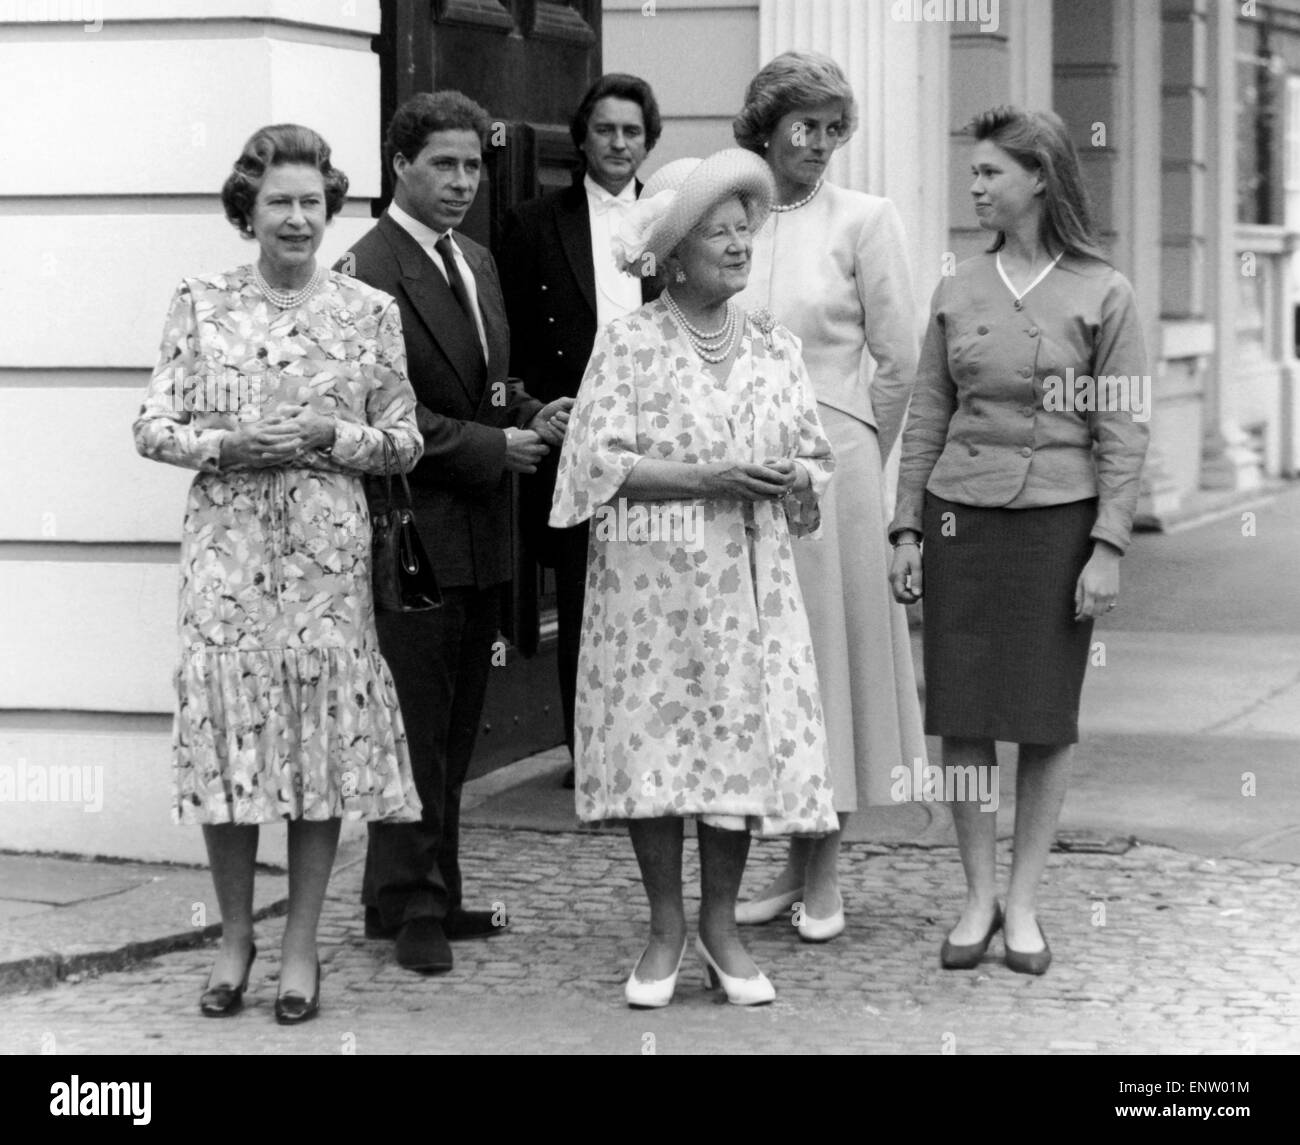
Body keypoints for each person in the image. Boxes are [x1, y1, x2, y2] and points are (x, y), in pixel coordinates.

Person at [134, 124, 424, 1025]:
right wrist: (226, 444)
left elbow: (406, 439)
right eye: (279, 203)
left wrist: (333, 437)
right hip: (228, 562)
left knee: (317, 755)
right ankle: (233, 938)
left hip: (325, 569)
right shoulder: (200, 301)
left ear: (330, 207)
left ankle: (299, 947)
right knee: (231, 747)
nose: (297, 219)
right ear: (247, 210)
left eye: (311, 202)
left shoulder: (368, 311)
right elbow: (151, 423)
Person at [550, 149, 838, 1008]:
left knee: (732, 745)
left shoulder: (774, 346)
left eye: (744, 229)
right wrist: (709, 479)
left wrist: (792, 478)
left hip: (746, 584)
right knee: (653, 749)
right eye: (719, 232)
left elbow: (816, 458)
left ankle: (721, 926)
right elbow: (595, 461)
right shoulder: (629, 342)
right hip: (649, 584)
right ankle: (664, 926)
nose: (740, 244)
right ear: (674, 256)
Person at [888, 106, 1150, 974]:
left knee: (1042, 716)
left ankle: (1027, 901)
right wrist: (905, 528)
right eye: (972, 173)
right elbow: (929, 409)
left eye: (990, 172)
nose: (975, 185)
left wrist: (1108, 542)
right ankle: (976, 896)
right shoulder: (957, 286)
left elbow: (1124, 430)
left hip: (1058, 525)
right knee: (963, 714)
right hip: (960, 518)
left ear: (1040, 176)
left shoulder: (1103, 290)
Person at [339, 91, 571, 974]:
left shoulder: (472, 256)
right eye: (443, 163)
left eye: (473, 165)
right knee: (415, 722)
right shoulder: (368, 268)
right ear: (400, 164)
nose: (462, 182)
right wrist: (491, 444)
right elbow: (381, 417)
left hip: (480, 528)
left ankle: (433, 887)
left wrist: (529, 410)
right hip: (414, 531)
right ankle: (411, 905)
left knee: (456, 721)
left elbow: (481, 385)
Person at [731, 49, 927, 941]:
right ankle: (784, 856)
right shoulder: (733, 212)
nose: (817, 142)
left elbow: (902, 360)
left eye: (832, 126)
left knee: (829, 662)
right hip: (735, 471)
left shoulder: (865, 219)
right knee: (764, 664)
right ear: (766, 128)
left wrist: (851, 438)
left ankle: (826, 869)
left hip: (833, 468)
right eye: (802, 125)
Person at [499, 73, 663, 790]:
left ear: (647, 139)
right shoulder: (532, 223)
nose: (619, 142)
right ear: (582, 138)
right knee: (583, 593)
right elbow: (509, 335)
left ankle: (658, 743)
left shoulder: (673, 219)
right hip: (578, 439)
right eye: (605, 129)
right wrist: (530, 405)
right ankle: (589, 752)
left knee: (664, 589)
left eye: (631, 130)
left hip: (665, 435)